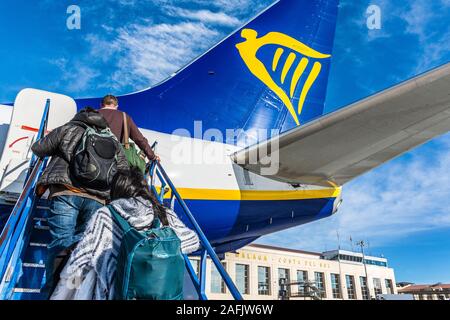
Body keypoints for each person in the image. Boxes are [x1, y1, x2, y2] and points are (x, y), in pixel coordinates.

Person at [50, 167, 200, 300]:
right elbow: (193, 241)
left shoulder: (105, 216)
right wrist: (158, 249)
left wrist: (62, 292)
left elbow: (79, 262)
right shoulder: (162, 213)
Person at [31, 107, 129, 297]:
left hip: (66, 192)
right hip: (97, 199)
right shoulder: (111, 139)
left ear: (80, 116)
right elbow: (123, 168)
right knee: (82, 246)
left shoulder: (68, 128)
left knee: (61, 241)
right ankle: (72, 289)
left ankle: (53, 291)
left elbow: (38, 148)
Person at [98, 94, 160, 162]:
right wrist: (152, 156)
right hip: (116, 162)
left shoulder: (91, 115)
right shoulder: (124, 117)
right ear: (116, 106)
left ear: (101, 105)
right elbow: (139, 139)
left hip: (92, 161)